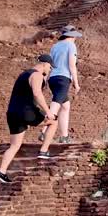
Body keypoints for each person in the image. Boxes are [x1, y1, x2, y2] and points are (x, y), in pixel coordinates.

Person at [0, 55, 59, 183]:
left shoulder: (23, 74)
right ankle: (43, 151)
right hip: (26, 112)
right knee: (53, 122)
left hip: (12, 113)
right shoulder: (37, 75)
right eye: (50, 67)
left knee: (14, 145)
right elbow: (37, 93)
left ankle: (1, 173)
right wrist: (48, 112)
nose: (50, 70)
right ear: (45, 64)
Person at [39, 28, 82, 158]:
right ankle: (44, 131)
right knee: (56, 104)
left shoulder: (55, 46)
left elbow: (49, 64)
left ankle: (64, 136)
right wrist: (76, 82)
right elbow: (72, 65)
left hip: (53, 78)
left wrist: (45, 79)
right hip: (64, 78)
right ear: (71, 36)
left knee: (65, 106)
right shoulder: (71, 45)